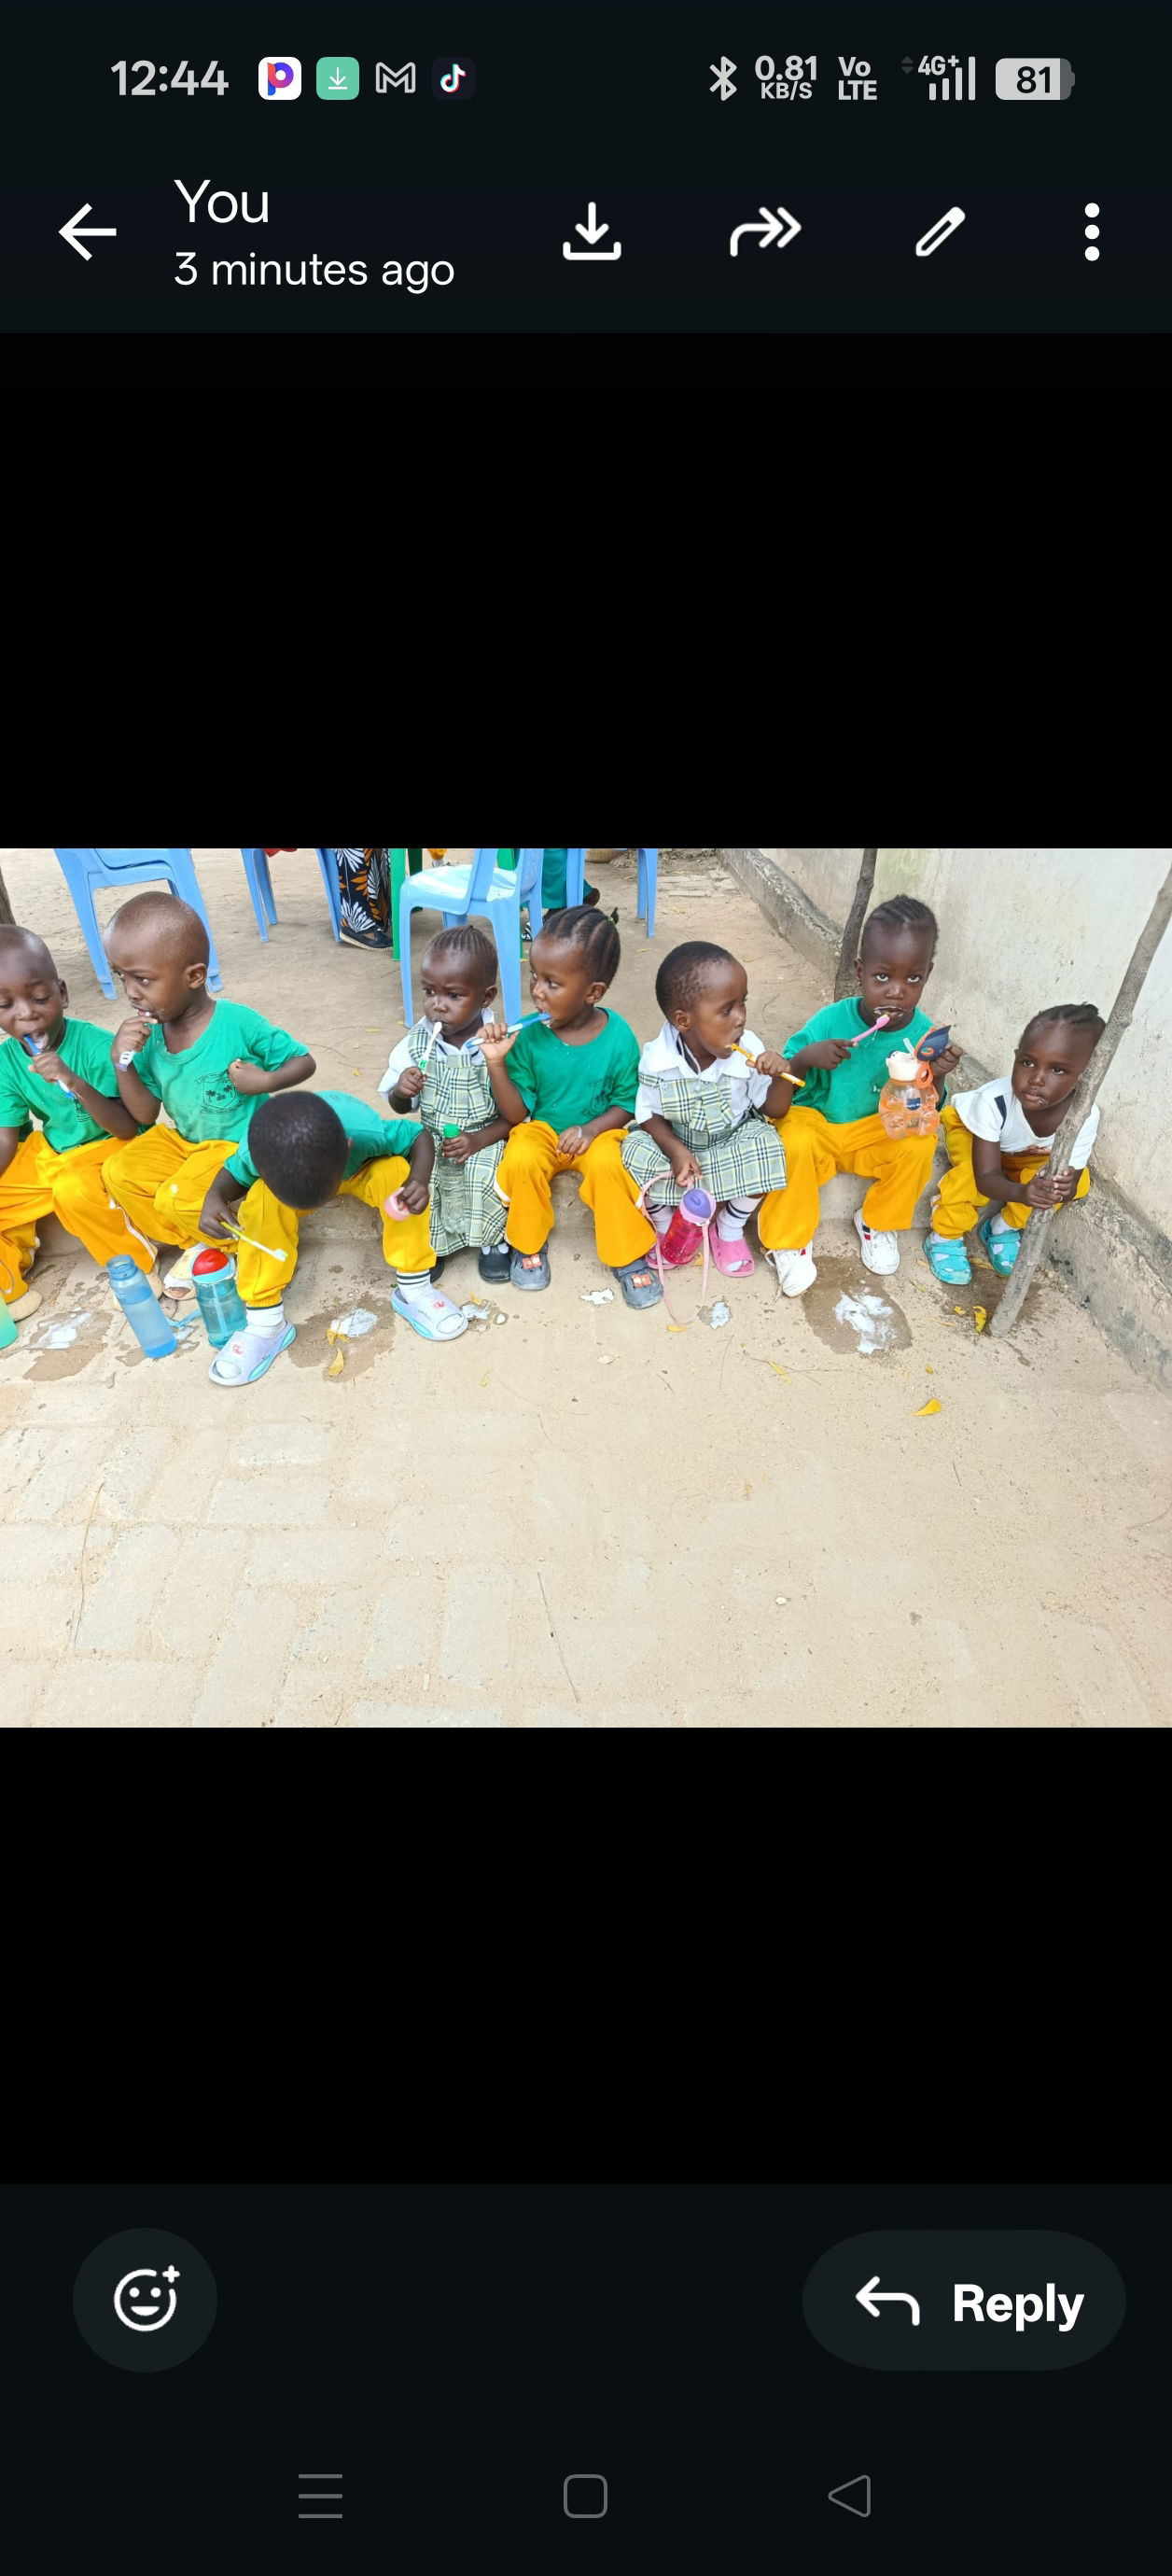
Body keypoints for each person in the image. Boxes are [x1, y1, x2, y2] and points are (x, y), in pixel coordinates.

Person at [100, 891, 316, 1383]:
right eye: (121, 976)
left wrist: (265, 1081)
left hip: (240, 1145)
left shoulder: (236, 1022)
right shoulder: (149, 1037)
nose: (131, 993)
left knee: (177, 1195)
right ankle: (203, 1241)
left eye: (143, 979)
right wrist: (122, 1063)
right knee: (121, 1170)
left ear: (195, 976)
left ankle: (234, 1245)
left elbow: (303, 1061)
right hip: (187, 1140)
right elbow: (144, 1114)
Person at [759, 896, 963, 1294]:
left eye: (913, 979)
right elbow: (776, 1106)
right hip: (818, 1124)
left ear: (928, 975)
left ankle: (877, 1222)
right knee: (793, 1140)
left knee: (920, 1145)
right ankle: (788, 1241)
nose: (896, 993)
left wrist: (935, 1075)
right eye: (882, 977)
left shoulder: (923, 1035)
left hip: (876, 1131)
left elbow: (927, 1108)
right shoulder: (829, 1022)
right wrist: (804, 1060)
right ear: (860, 971)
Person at [479, 906, 662, 1307]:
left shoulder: (619, 1037)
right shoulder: (528, 1037)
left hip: (599, 1132)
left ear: (593, 993)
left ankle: (626, 1253)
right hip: (542, 1129)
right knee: (522, 1156)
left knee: (609, 1165)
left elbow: (627, 1103)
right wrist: (496, 1062)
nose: (537, 991)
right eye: (534, 976)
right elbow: (515, 1115)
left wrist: (591, 1130)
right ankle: (528, 1243)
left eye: (553, 983)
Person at [208, 1088, 469, 1347]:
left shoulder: (367, 1132)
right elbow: (233, 1175)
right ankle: (265, 1321)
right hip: (308, 1173)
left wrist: (419, 1180)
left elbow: (418, 1135)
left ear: (347, 1148)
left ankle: (415, 1288)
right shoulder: (257, 1150)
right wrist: (215, 1196)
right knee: (260, 1200)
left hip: (361, 1168)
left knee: (397, 1173)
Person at [620, 941, 795, 1277]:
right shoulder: (658, 1058)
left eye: (742, 1003)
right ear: (684, 1020)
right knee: (633, 1151)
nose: (741, 1018)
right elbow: (647, 1114)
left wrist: (780, 1075)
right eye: (726, 1010)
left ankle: (728, 1227)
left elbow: (774, 1109)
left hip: (730, 1140)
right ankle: (669, 1228)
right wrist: (675, 1150)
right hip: (676, 1144)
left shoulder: (749, 1049)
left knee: (769, 1146)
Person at [0, 925, 147, 1318]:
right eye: (5, 1005)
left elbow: (128, 1128)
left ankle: (135, 1269)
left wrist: (72, 1080)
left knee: (73, 1189)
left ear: (62, 993)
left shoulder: (97, 1046)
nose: (26, 1013)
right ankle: (9, 1285)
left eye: (39, 998)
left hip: (109, 1145)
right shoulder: (7, 1061)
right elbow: (7, 1139)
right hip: (56, 1149)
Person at [379, 923, 521, 1286]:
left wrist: (477, 1140)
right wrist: (402, 1091)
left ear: (486, 997)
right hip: (432, 1141)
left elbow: (515, 1117)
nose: (438, 1005)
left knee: (488, 1174)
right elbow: (399, 1108)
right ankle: (434, 1244)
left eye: (454, 995)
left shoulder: (500, 1044)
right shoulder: (415, 1044)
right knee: (424, 1179)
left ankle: (493, 1242)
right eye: (429, 992)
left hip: (486, 1138)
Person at [924, 1003, 1103, 1284]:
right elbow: (986, 1178)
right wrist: (1023, 1192)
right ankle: (944, 1235)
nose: (1036, 1079)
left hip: (1024, 1153)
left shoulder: (1084, 1116)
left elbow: (1070, 1185)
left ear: (1085, 1076)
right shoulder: (994, 1102)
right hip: (971, 1132)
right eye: (1028, 1063)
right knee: (968, 1176)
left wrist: (1058, 1190)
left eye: (1057, 1070)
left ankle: (1003, 1226)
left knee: (1074, 1182)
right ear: (1017, 1057)